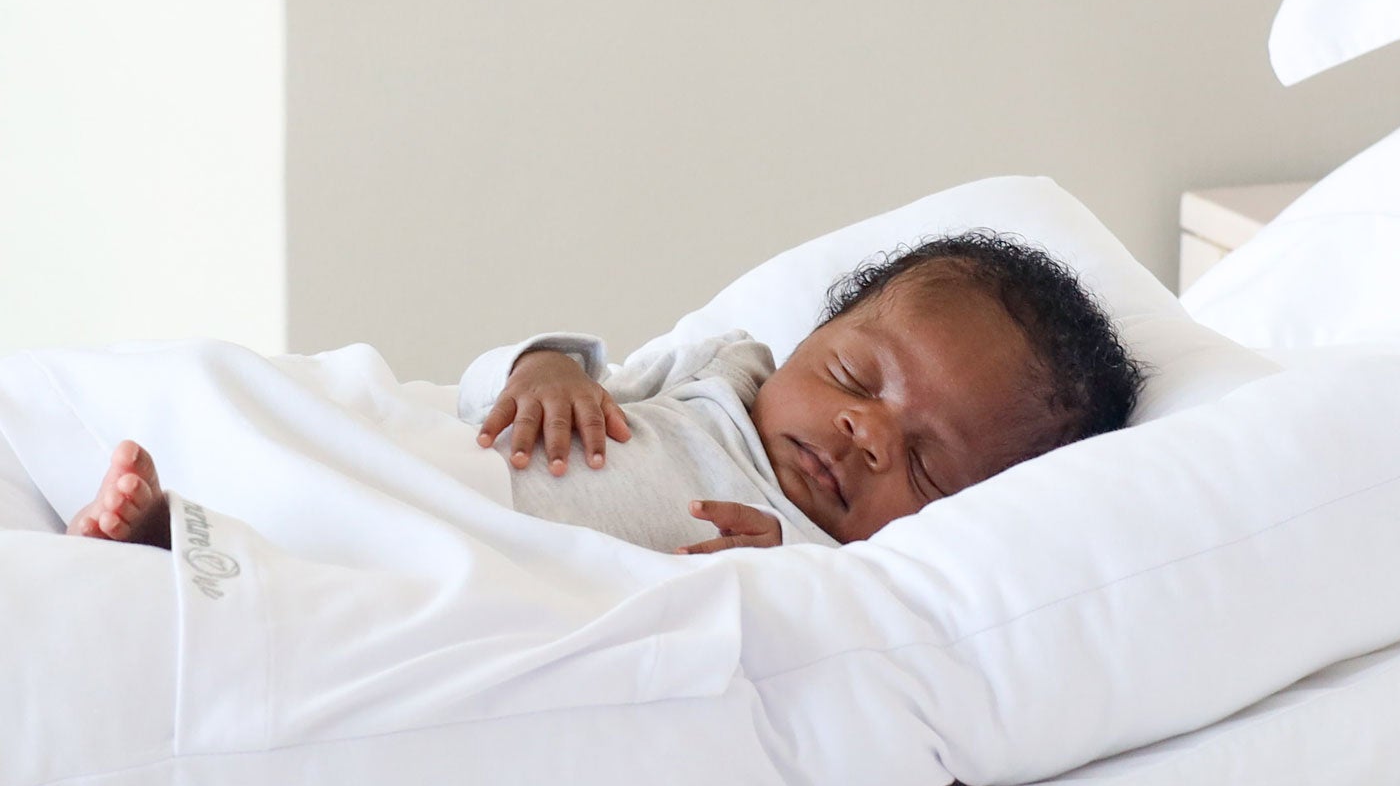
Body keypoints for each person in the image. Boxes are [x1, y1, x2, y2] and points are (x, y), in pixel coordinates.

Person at [66, 231, 1145, 555]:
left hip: (500, 572)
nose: (865, 433)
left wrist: (776, 577)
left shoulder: (828, 560)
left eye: (926, 466)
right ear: (808, 341)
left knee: (350, 583)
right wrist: (547, 374)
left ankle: (181, 543)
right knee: (309, 426)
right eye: (854, 378)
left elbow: (815, 647)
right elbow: (516, 381)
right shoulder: (723, 373)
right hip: (457, 469)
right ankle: (187, 505)